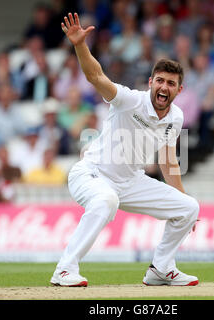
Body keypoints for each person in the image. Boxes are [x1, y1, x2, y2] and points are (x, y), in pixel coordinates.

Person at [51, 13, 199, 288]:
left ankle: (161, 269)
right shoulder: (130, 101)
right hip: (91, 174)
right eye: (159, 81)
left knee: (190, 206)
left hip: (130, 182)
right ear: (150, 82)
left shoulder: (175, 117)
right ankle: (64, 269)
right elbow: (95, 76)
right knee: (106, 200)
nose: (163, 87)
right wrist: (80, 45)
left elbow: (168, 161)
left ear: (179, 90)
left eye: (170, 83)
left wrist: (180, 204)